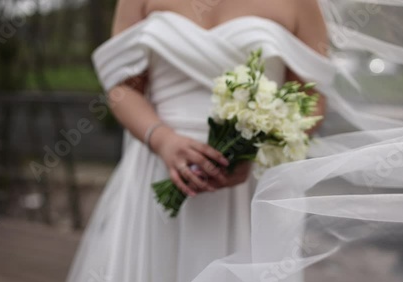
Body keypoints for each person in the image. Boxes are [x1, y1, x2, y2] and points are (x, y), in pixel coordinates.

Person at [67, 1, 331, 281]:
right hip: (158, 164)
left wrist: (255, 150)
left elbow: (312, 97)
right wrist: (162, 140)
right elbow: (123, 87)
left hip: (250, 183)